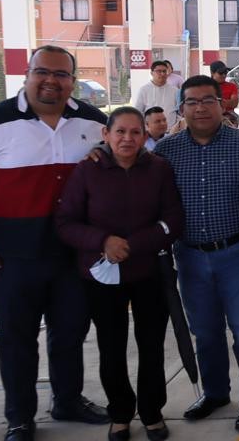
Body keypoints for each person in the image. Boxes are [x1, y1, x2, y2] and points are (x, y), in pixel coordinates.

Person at [0, 46, 111, 441]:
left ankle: (68, 399)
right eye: (43, 72)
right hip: (14, 255)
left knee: (71, 333)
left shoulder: (93, 122)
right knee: (17, 339)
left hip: (72, 255)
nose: (51, 81)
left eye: (61, 74)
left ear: (72, 80)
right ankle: (19, 417)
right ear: (27, 74)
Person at [55, 107, 183, 441]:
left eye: (135, 132)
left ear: (145, 136)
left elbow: (173, 220)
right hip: (101, 277)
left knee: (151, 346)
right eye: (120, 132)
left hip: (149, 273)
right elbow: (66, 223)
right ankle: (121, 414)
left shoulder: (159, 169)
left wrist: (133, 244)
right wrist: (102, 242)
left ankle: (152, 412)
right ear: (106, 135)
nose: (127, 139)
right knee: (111, 348)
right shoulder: (87, 171)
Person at [155, 75, 239, 432]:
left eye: (208, 100)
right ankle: (216, 392)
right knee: (205, 332)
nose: (200, 107)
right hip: (188, 256)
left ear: (223, 105)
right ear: (182, 108)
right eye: (192, 101)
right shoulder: (166, 151)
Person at [134, 60, 178, 128]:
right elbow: (138, 112)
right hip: (150, 132)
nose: (162, 74)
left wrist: (176, 127)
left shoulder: (175, 90)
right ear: (151, 73)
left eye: (164, 71)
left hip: (170, 132)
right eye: (159, 71)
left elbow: (180, 112)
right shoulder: (144, 90)